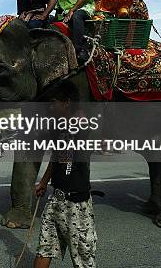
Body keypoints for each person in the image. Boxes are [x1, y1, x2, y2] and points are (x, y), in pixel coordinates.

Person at [34, 81, 97, 268]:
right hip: (57, 199)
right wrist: (44, 182)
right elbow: (56, 156)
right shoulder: (60, 126)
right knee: (45, 248)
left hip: (76, 203)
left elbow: (65, 155)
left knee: (84, 259)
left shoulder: (80, 123)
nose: (51, 106)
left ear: (67, 102)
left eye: (54, 102)